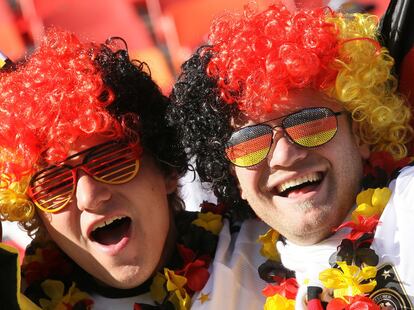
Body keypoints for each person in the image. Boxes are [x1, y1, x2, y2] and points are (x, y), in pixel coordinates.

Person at [169, 3, 414, 309]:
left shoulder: (406, 214)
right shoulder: (226, 280)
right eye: (249, 140)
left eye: (310, 122)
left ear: (360, 131)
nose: (284, 155)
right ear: (234, 176)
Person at [0, 28, 266, 309]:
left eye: (112, 162)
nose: (89, 197)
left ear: (166, 170)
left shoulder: (265, 254)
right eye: (54, 184)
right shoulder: (24, 301)